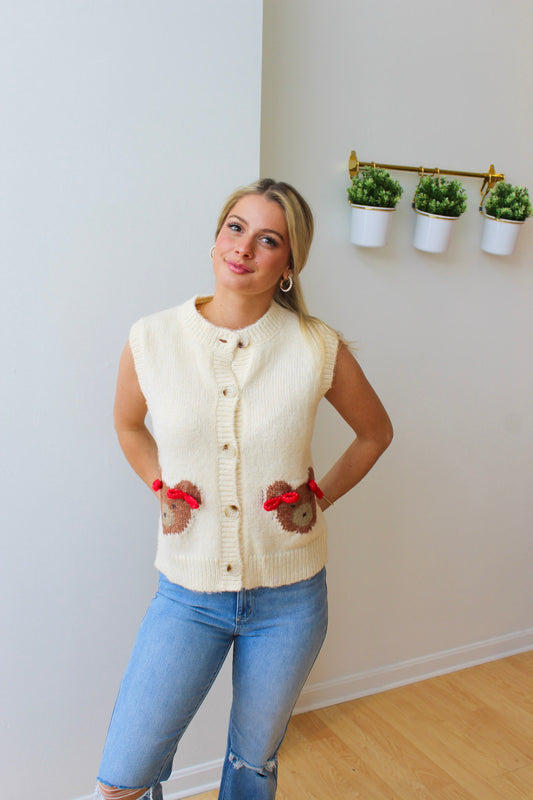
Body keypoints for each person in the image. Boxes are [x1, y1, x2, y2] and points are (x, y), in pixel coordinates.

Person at [96, 178, 393, 800]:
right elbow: (127, 425)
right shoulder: (152, 338)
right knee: (123, 779)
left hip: (290, 601)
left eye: (268, 240)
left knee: (251, 766)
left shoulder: (315, 346)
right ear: (215, 238)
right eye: (236, 228)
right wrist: (160, 485)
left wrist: (319, 497)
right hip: (188, 595)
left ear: (289, 265)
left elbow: (375, 433)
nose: (245, 248)